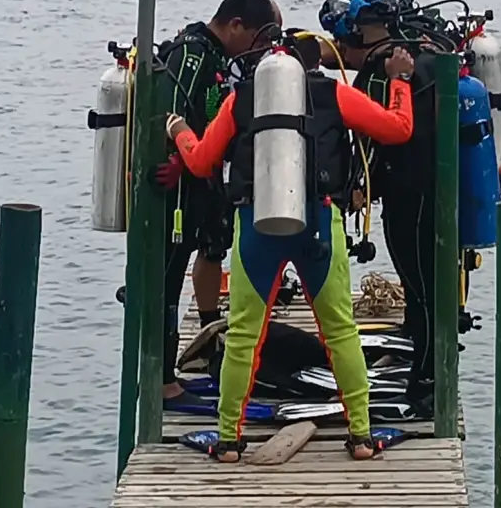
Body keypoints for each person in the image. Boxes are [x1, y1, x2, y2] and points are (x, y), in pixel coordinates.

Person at [165, 34, 416, 462]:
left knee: (243, 335)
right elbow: (398, 129)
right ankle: (360, 437)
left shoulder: (242, 98)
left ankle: (228, 441)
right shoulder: (333, 93)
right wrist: (401, 80)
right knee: (340, 331)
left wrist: (179, 130)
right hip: (319, 223)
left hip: (256, 224)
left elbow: (202, 160)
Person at [144, 0, 282, 413]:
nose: (256, 48)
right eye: (255, 36)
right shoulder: (192, 54)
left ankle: (172, 372)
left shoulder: (217, 56)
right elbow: (168, 115)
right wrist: (177, 159)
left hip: (198, 181)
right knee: (165, 285)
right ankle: (163, 383)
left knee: (182, 267)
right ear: (235, 25)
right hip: (175, 191)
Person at [324, 0, 440, 415]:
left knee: (420, 282)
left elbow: (381, 135)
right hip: (428, 191)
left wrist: (356, 186)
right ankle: (422, 354)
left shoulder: (380, 71)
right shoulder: (416, 56)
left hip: (409, 194)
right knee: (426, 283)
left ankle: (426, 383)